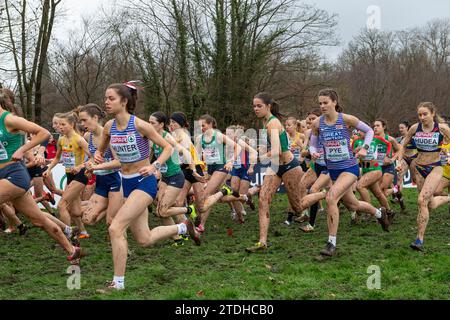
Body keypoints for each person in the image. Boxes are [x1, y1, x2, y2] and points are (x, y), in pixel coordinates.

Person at [95, 83, 199, 292]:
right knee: (144, 238)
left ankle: (118, 283)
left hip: (145, 183)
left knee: (115, 228)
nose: (106, 102)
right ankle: (182, 227)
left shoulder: (140, 125)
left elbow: (168, 147)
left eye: (111, 98)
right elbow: (101, 149)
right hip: (126, 182)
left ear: (124, 102)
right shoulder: (108, 127)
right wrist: (98, 156)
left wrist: (155, 166)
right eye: (105, 98)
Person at [0, 89, 83, 262]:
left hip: (14, 176)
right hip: (5, 177)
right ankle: (71, 249)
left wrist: (22, 150)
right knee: (39, 220)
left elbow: (44, 133)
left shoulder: (9, 119)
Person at [309, 89, 390, 257]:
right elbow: (313, 143)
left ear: (334, 102)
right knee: (353, 205)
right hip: (333, 171)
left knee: (331, 197)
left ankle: (331, 243)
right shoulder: (317, 123)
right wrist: (313, 151)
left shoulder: (346, 119)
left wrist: (364, 148)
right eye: (320, 103)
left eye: (325, 102)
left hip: (349, 168)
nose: (322, 106)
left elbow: (369, 131)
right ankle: (380, 213)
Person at [246, 93, 326, 253]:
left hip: (289, 166)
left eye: (259, 106)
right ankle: (262, 242)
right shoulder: (265, 123)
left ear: (268, 106)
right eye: (254, 106)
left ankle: (324, 193)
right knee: (263, 201)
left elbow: (276, 151)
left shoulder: (273, 123)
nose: (255, 108)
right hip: (275, 167)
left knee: (299, 207)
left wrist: (260, 157)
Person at [396, 102, 450, 251]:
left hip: (435, 168)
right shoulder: (414, 128)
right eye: (419, 114)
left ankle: (419, 240)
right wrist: (399, 160)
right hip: (419, 168)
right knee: (429, 203)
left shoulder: (442, 128)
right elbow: (403, 145)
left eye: (425, 114)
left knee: (421, 200)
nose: (422, 117)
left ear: (432, 113)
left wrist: (449, 155)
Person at [44, 112, 91, 239]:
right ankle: (83, 232)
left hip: (81, 175)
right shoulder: (61, 139)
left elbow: (94, 158)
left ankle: (68, 235)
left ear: (72, 124)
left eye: (63, 124)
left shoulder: (79, 140)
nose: (60, 127)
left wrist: (80, 166)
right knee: (75, 211)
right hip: (69, 174)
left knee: (61, 205)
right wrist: (49, 169)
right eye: (59, 124)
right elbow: (57, 158)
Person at [78, 104, 123, 226]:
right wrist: (88, 165)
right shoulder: (88, 136)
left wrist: (96, 167)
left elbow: (119, 162)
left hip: (115, 180)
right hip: (101, 181)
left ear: (95, 118)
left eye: (84, 120)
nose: (82, 124)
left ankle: (118, 205)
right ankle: (117, 205)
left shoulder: (109, 135)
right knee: (87, 220)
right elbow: (94, 157)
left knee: (111, 222)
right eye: (80, 121)